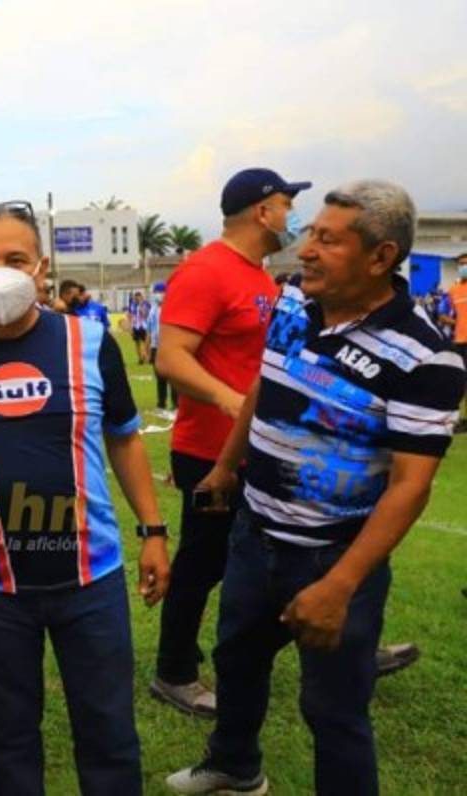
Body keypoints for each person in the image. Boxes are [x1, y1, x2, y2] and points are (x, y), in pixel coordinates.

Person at [167, 180, 466, 796]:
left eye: (327, 239)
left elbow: (411, 487)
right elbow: (262, 390)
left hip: (333, 555)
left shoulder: (425, 359)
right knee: (236, 661)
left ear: (380, 257)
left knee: (333, 707)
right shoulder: (291, 308)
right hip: (256, 530)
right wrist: (225, 469)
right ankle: (235, 766)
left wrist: (340, 585)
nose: (305, 249)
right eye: (309, 233)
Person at [0, 201, 171, 795]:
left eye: (15, 258)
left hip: (92, 579)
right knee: (9, 737)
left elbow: (125, 441)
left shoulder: (91, 342)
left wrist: (153, 531)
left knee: (108, 735)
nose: (1, 272)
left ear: (41, 267)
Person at [151, 167, 311, 717]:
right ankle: (174, 670)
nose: (294, 216)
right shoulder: (206, 270)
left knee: (288, 548)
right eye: (288, 204)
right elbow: (169, 357)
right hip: (209, 450)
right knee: (204, 561)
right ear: (263, 211)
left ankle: (332, 640)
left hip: (263, 445)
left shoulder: (261, 277)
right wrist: (230, 402)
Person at [147, 283, 178, 418]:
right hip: (156, 347)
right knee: (160, 377)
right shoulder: (153, 309)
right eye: (156, 292)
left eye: (159, 292)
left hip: (169, 346)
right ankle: (161, 404)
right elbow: (149, 329)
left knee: (173, 377)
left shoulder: (172, 308)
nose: (157, 295)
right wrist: (148, 349)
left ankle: (176, 405)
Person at [449, 254, 467, 430]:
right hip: (460, 341)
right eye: (461, 264)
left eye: (466, 264)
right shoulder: (453, 290)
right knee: (459, 381)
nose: (463, 267)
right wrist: (458, 323)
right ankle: (460, 419)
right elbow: (444, 314)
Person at [129, 291, 152, 364]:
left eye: (138, 298)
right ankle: (140, 359)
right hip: (135, 326)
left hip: (144, 326)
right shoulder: (132, 305)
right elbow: (131, 315)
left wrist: (141, 307)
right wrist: (131, 327)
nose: (137, 299)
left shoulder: (146, 304)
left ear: (141, 297)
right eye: (135, 298)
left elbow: (146, 315)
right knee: (137, 343)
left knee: (146, 343)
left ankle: (148, 358)